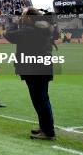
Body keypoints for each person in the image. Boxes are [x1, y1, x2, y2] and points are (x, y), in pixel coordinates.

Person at [4, 8, 56, 141]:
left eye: (24, 16)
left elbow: (8, 34)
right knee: (41, 99)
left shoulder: (28, 30)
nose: (22, 17)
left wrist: (15, 22)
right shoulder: (42, 29)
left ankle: (48, 132)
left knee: (40, 100)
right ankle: (45, 127)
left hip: (33, 69)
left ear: (29, 18)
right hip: (41, 67)